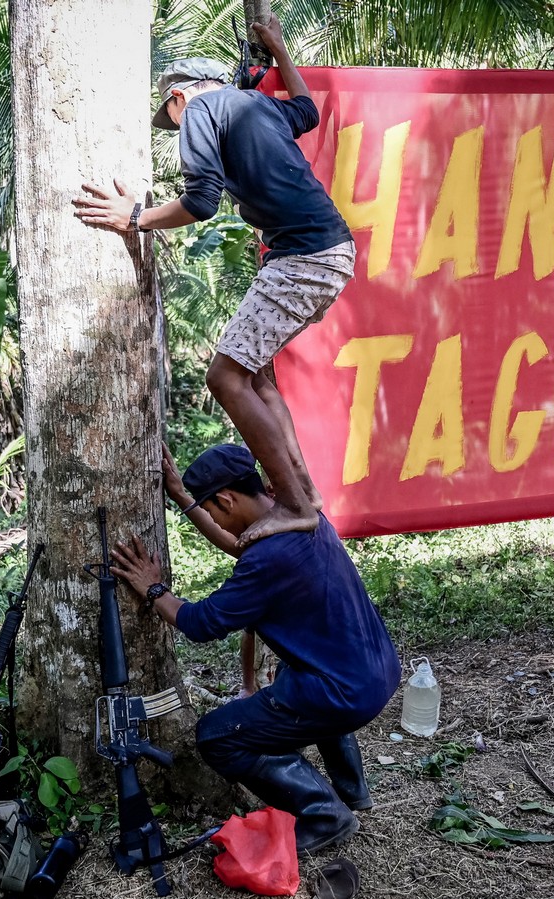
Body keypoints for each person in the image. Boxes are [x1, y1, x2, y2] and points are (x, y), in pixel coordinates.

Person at [73, 15, 353, 546]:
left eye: (172, 117)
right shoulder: (256, 105)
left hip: (304, 256)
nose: (178, 127)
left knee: (223, 378)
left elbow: (201, 201)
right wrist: (278, 46)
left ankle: (293, 505)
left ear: (178, 98)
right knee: (253, 377)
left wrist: (135, 217)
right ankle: (305, 493)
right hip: (329, 250)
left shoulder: (201, 110)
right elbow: (308, 111)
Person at [109, 443, 400, 855]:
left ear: (227, 498)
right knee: (290, 675)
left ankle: (324, 814)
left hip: (345, 693)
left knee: (216, 737)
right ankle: (352, 789)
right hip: (378, 670)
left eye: (213, 510)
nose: (213, 518)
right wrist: (186, 500)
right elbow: (241, 545)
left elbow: (200, 623)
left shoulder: (267, 559)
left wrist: (154, 589)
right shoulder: (302, 518)